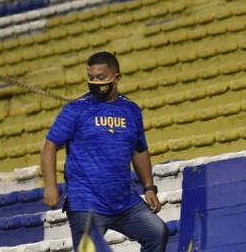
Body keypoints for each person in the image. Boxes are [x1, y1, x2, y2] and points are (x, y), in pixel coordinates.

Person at [41, 52, 168, 252]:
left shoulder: (131, 110)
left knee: (157, 233)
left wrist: (149, 187)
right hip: (86, 203)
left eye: (101, 78)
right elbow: (49, 145)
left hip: (123, 202)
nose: (95, 82)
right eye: (91, 77)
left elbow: (139, 149)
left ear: (116, 78)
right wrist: (50, 186)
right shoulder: (75, 110)